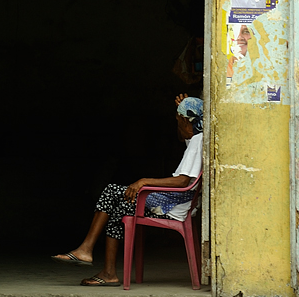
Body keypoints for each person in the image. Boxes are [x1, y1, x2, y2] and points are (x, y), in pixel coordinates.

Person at [51, 94, 204, 286]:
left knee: (112, 190)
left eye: (178, 120)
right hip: (176, 201)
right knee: (119, 207)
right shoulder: (196, 138)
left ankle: (86, 249)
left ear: (185, 120)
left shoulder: (198, 143)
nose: (177, 124)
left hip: (174, 204)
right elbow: (183, 134)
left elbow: (182, 182)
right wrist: (182, 109)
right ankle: (107, 272)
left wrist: (144, 181)